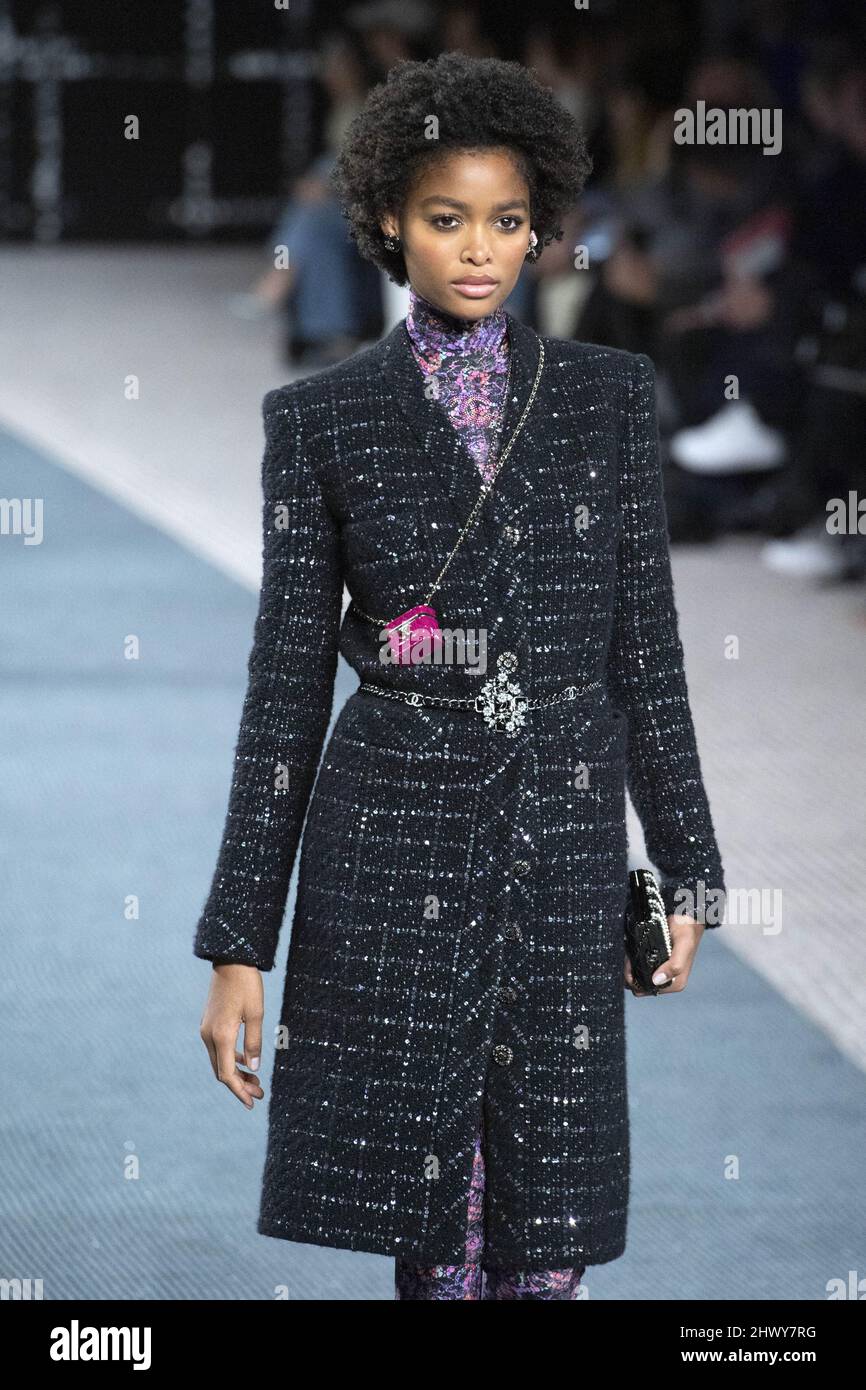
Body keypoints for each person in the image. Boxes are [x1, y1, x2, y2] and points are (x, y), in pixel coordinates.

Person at [194, 51, 726, 1302]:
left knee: (548, 1234)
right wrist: (236, 947)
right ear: (386, 220)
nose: (477, 249)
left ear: (541, 223)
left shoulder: (605, 398)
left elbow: (643, 648)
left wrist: (691, 861)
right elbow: (281, 692)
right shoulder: (319, 421)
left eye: (503, 220)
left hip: (562, 827)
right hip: (392, 840)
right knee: (430, 1231)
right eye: (444, 219)